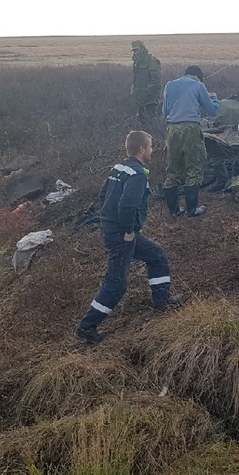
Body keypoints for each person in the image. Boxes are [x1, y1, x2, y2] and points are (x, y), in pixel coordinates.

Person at [76, 130, 189, 344]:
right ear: (142, 149)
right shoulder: (137, 174)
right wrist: (128, 230)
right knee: (116, 284)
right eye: (151, 146)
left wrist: (111, 222)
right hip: (122, 234)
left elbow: (103, 196)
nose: (153, 150)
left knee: (156, 256)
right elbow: (127, 205)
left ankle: (162, 302)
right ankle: (86, 328)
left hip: (112, 229)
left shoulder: (118, 168)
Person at [161, 65, 220, 218]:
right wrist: (213, 97)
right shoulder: (198, 85)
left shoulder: (169, 85)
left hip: (171, 129)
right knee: (194, 166)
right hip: (191, 129)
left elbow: (164, 112)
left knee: (172, 169)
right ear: (197, 77)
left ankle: (174, 211)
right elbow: (213, 111)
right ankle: (192, 210)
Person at [130, 40, 162, 126]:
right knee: (141, 124)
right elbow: (136, 79)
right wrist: (134, 91)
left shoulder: (152, 61)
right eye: (134, 51)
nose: (136, 53)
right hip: (140, 99)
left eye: (137, 50)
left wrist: (147, 91)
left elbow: (156, 80)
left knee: (151, 123)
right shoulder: (137, 63)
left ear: (142, 49)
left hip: (150, 100)